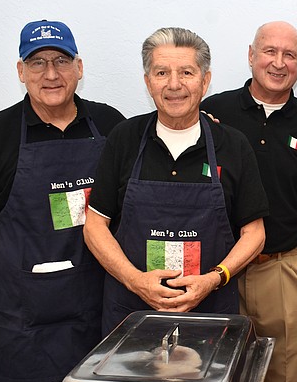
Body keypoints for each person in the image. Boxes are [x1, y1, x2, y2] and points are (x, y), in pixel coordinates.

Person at [0, 20, 126, 382]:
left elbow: (150, 181)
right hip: (25, 328)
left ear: (79, 67)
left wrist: (202, 127)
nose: (50, 74)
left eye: (61, 61)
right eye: (38, 62)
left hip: (98, 322)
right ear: (20, 71)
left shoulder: (112, 126)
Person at [84, 27, 268, 336]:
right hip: (132, 314)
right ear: (147, 82)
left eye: (186, 72)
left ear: (205, 81)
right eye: (161, 73)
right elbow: (94, 226)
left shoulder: (233, 145)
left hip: (209, 315)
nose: (174, 85)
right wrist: (134, 280)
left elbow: (255, 234)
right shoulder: (124, 139)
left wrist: (213, 279)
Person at [200, 22, 297, 382]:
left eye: (289, 55)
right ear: (251, 55)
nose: (278, 62)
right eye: (269, 51)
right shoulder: (212, 112)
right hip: (215, 276)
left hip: (283, 271)